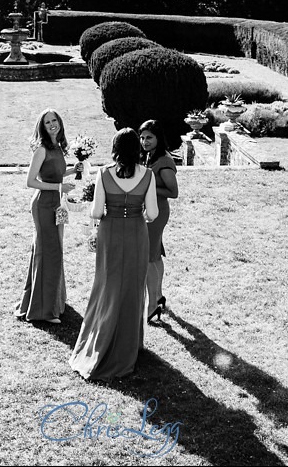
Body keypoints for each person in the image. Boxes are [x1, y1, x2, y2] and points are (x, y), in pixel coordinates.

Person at [69, 128, 159, 381]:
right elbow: (152, 214)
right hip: (137, 235)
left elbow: (96, 212)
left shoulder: (104, 173)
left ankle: (103, 339)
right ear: (137, 149)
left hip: (110, 233)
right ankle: (129, 345)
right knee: (132, 288)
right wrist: (136, 213)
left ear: (116, 149)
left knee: (108, 286)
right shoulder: (148, 175)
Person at [16, 108, 82, 324]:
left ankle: (53, 301)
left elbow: (54, 173)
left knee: (54, 251)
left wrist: (72, 171)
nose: (52, 124)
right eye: (47, 122)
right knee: (48, 252)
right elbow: (31, 181)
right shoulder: (41, 149)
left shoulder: (58, 148)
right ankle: (42, 311)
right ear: (42, 127)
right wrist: (59, 187)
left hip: (56, 204)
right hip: (43, 205)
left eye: (54, 120)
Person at [139, 120, 179, 323]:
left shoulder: (163, 161)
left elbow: (174, 192)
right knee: (155, 255)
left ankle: (152, 306)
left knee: (148, 256)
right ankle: (159, 296)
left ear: (158, 138)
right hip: (149, 210)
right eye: (142, 137)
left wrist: (148, 187)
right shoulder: (149, 156)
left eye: (149, 137)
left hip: (157, 213)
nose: (145, 141)